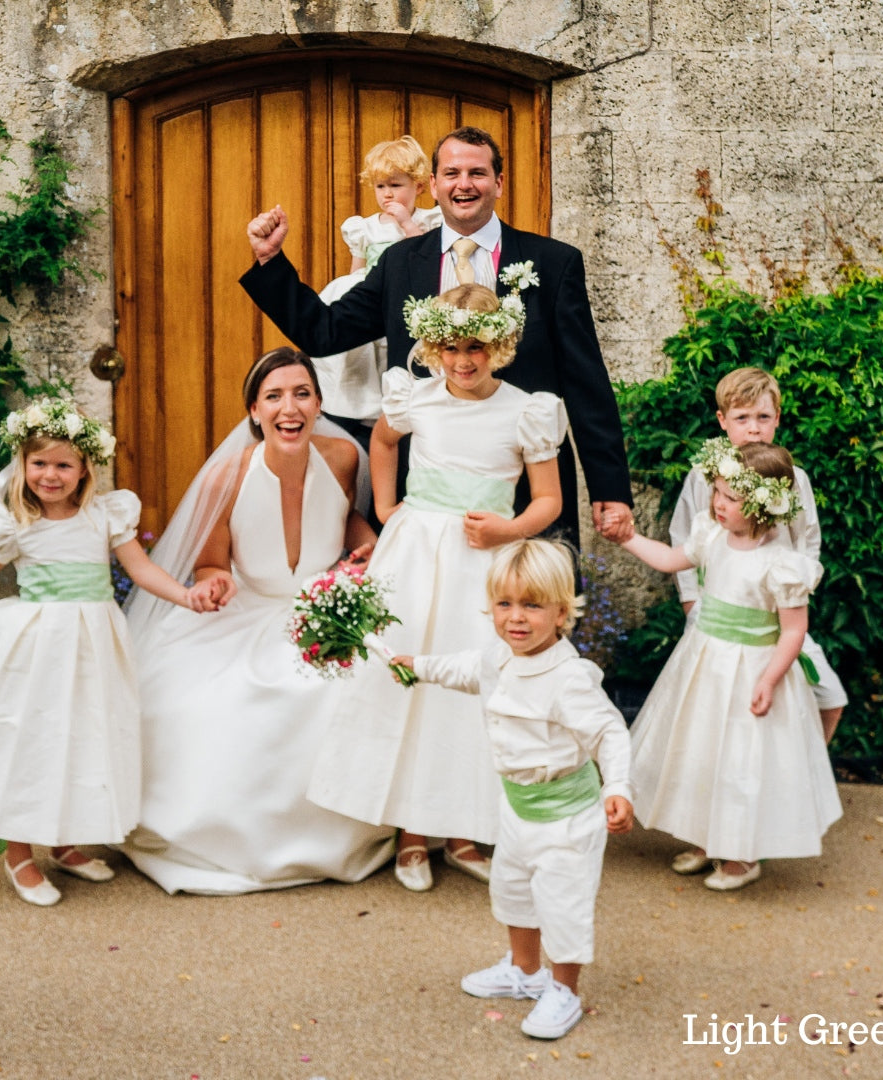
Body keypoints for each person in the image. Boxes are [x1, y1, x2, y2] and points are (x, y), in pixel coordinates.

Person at [240, 125, 634, 547]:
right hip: (428, 487)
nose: (464, 184)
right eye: (451, 173)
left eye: (477, 173)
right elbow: (324, 332)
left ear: (499, 183)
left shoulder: (553, 263)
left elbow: (585, 380)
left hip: (524, 488)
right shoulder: (400, 263)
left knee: (528, 611)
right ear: (433, 185)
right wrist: (271, 261)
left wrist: (609, 489)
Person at [306, 284, 566, 891]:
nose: (463, 360)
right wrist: (391, 504)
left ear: (499, 345)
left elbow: (549, 498)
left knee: (474, 685)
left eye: (476, 346)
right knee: (411, 676)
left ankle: (463, 830)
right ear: (431, 346)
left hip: (486, 566)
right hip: (418, 556)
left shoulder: (525, 409)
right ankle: (410, 835)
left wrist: (512, 526)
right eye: (449, 347)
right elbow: (383, 440)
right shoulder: (415, 398)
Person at [120, 347, 395, 894]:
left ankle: (358, 830)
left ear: (319, 403)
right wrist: (215, 580)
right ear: (253, 410)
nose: (288, 407)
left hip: (323, 603)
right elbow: (210, 560)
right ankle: (224, 838)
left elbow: (350, 520)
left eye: (301, 394)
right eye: (274, 396)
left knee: (368, 681)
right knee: (225, 699)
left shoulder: (343, 457)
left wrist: (368, 550)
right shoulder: (227, 475)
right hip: (248, 613)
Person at [0, 395, 226, 906]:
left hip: (93, 645)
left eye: (62, 465)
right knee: (32, 740)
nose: (49, 475)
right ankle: (18, 853)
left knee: (80, 736)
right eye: (39, 463)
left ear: (84, 469)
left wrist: (186, 595)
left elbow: (140, 570)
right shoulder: (16, 521)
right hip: (35, 648)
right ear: (23, 464)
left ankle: (64, 842)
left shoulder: (104, 515)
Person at [389, 538, 633, 1041]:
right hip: (518, 811)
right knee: (513, 892)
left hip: (567, 818)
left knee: (563, 906)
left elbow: (609, 731)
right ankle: (524, 974)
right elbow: (460, 668)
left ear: (562, 612)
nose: (515, 618)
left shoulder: (568, 679)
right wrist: (415, 663)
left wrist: (621, 786)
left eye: (532, 606)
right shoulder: (498, 656)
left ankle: (563, 991)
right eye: (505, 604)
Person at [615, 439, 842, 890]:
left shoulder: (782, 564)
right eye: (716, 491)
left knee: (741, 760)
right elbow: (670, 559)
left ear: (762, 505)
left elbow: (794, 631)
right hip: (705, 665)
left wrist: (770, 678)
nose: (718, 503)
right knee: (702, 753)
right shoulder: (710, 534)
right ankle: (707, 838)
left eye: (730, 497)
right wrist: (629, 538)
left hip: (752, 669)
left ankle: (740, 856)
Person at [669, 366, 847, 742]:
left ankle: (805, 769)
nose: (754, 428)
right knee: (718, 711)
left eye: (763, 417)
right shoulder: (706, 476)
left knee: (829, 696)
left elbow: (807, 539)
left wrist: (794, 592)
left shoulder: (794, 479)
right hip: (719, 614)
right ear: (723, 421)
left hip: (778, 618)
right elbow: (684, 537)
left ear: (777, 419)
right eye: (742, 418)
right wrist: (691, 604)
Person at [312, 135, 441, 447]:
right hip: (370, 293)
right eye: (381, 186)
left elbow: (426, 257)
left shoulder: (426, 221)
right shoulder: (364, 226)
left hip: (404, 298)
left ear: (418, 187)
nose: (388, 194)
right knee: (357, 352)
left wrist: (406, 223)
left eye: (396, 185)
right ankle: (354, 404)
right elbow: (357, 269)